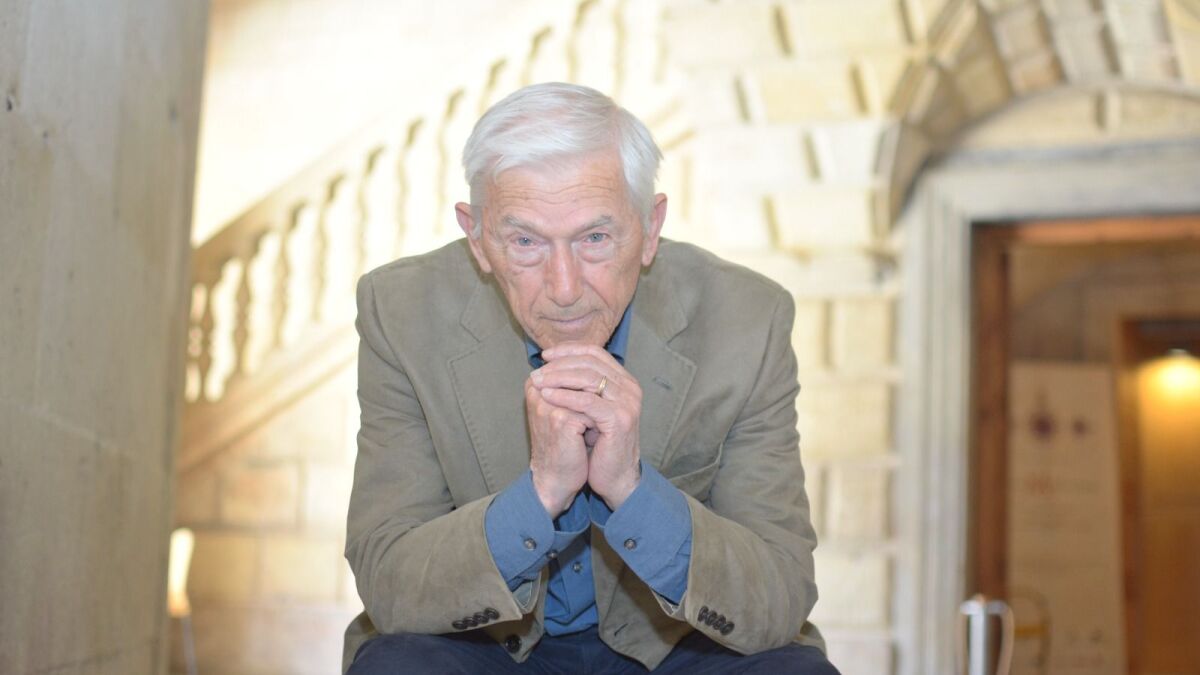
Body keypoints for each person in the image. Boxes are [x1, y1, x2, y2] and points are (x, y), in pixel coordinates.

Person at [343, 82, 837, 674]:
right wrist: (539, 495)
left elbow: (779, 591)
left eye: (595, 238)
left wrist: (632, 489)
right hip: (487, 644)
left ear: (650, 228)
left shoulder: (749, 319)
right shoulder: (400, 311)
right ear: (477, 239)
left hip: (675, 646)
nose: (565, 287)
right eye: (525, 241)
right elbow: (390, 577)